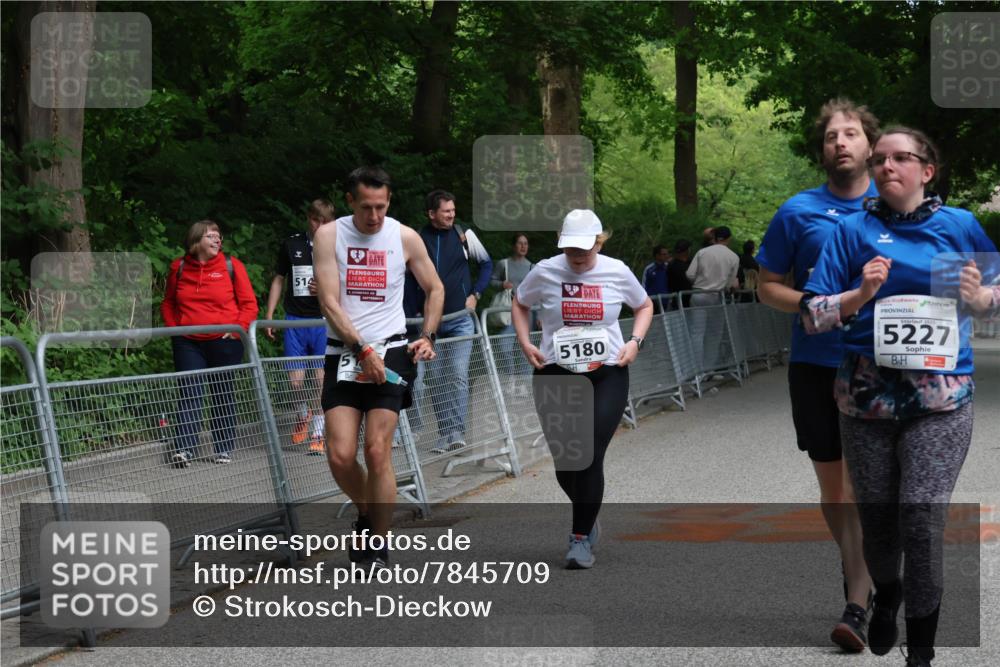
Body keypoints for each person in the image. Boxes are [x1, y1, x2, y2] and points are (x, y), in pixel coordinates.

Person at [802, 127, 1000, 666]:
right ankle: (887, 593)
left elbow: (995, 295)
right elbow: (812, 315)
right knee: (880, 527)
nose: (887, 166)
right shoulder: (851, 231)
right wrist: (859, 293)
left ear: (926, 171)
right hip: (865, 400)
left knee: (921, 516)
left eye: (900, 158)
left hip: (941, 400)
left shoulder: (959, 225)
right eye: (879, 159)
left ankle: (922, 652)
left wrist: (981, 297)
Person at [757, 98, 878, 652]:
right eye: (832, 136)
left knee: (864, 486)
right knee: (834, 490)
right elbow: (767, 286)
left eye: (851, 133)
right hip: (814, 362)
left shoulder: (895, 207)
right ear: (822, 150)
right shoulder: (797, 211)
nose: (841, 142)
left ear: (870, 145)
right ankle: (860, 578)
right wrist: (815, 303)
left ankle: (860, 596)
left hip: (877, 365)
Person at [313, 167, 443, 568]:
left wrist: (429, 335)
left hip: (393, 351)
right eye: (366, 207)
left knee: (376, 448)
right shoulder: (329, 235)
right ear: (350, 201)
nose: (374, 216)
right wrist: (361, 349)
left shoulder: (404, 236)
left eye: (381, 207)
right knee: (339, 454)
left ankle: (378, 543)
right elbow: (328, 301)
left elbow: (435, 288)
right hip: (345, 353)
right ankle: (368, 511)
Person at [512, 209, 653, 569]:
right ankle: (588, 513)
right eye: (570, 248)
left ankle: (579, 539)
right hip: (555, 372)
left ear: (599, 243)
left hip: (607, 372)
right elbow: (520, 302)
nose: (576, 255)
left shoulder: (616, 270)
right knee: (565, 463)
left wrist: (635, 341)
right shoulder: (544, 270)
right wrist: (525, 341)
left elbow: (644, 305)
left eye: (584, 249)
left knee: (588, 452)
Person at [161, 220, 259, 467]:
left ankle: (223, 448)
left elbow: (249, 304)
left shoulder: (231, 266)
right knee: (190, 392)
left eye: (218, 236)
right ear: (196, 241)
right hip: (188, 342)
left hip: (224, 341)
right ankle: (184, 450)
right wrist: (175, 330)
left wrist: (237, 330)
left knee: (222, 393)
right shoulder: (179, 267)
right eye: (211, 236)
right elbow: (168, 303)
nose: (218, 240)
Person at [404, 190, 493, 454]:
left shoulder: (463, 235)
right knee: (437, 378)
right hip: (430, 323)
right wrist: (415, 311)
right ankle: (444, 434)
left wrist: (476, 294)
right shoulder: (417, 239)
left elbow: (486, 264)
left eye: (453, 210)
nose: (452, 215)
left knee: (457, 374)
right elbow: (407, 279)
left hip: (459, 319)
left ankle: (456, 432)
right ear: (431, 213)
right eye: (446, 211)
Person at [264, 199, 334, 455]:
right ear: (308, 218)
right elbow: (279, 279)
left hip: (322, 321)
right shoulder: (292, 244)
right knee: (295, 382)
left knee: (320, 380)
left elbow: (344, 282)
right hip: (295, 320)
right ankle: (303, 413)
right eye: (315, 220)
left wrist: (324, 288)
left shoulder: (336, 246)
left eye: (324, 221)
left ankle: (318, 431)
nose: (319, 226)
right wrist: (270, 315)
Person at [685, 226, 740, 371]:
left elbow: (690, 274)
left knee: (697, 333)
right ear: (729, 238)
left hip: (699, 294)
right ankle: (709, 368)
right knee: (714, 334)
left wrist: (700, 282)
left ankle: (696, 370)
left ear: (714, 237)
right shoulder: (734, 257)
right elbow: (730, 282)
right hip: (717, 296)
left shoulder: (702, 252)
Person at [489, 233, 534, 378]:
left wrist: (540, 316)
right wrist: (502, 284)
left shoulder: (532, 267)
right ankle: (510, 379)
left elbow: (537, 291)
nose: (523, 246)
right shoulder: (504, 264)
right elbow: (492, 281)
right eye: (520, 243)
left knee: (525, 350)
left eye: (525, 243)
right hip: (508, 313)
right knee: (504, 346)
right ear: (514, 246)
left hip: (526, 314)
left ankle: (525, 383)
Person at [641, 244, 671, 312]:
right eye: (664, 254)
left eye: (667, 254)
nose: (667, 256)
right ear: (657, 255)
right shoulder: (649, 269)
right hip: (653, 303)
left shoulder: (669, 267)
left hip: (667, 302)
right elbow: (643, 287)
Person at [666, 239, 694, 308]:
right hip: (679, 298)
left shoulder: (691, 262)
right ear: (687, 250)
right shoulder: (672, 265)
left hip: (690, 297)